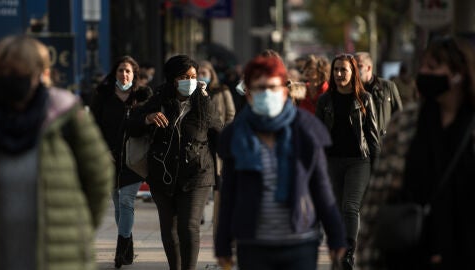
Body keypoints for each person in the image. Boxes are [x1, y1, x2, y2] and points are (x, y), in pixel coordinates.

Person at [215, 55, 347, 270]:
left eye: (272, 87)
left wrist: (336, 236)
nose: (267, 93)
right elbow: (229, 193)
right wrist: (223, 245)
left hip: (300, 242)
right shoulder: (236, 135)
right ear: (248, 93)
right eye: (259, 88)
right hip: (253, 243)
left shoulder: (306, 130)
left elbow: (321, 188)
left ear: (285, 90)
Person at [0, 35, 113, 270]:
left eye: (20, 72)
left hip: (60, 256)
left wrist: (77, 228)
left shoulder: (66, 115)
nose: (12, 80)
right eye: (5, 72)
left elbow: (99, 177)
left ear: (40, 74)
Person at [357, 36, 475, 270]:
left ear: (459, 73)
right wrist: (366, 255)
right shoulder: (407, 122)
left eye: (433, 67)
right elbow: (379, 195)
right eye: (422, 66)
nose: (423, 73)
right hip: (407, 252)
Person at [127, 55, 224, 270]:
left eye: (193, 76)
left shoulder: (204, 102)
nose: (190, 81)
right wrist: (147, 118)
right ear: (172, 80)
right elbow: (132, 126)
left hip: (197, 173)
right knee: (169, 230)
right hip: (163, 174)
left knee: (189, 226)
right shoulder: (159, 99)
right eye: (183, 77)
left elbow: (219, 136)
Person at [315, 53, 380, 270]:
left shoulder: (365, 99)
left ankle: (349, 253)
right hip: (332, 161)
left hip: (358, 162)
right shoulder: (325, 101)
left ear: (353, 73)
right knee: (336, 211)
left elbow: (372, 137)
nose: (339, 74)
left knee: (350, 207)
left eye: (344, 70)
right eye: (336, 70)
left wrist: (377, 166)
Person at [90, 55, 153, 268]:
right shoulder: (103, 96)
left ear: (134, 74)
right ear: (114, 73)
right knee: (118, 204)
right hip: (109, 158)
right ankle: (128, 243)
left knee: (127, 201)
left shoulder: (143, 97)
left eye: (128, 71)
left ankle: (121, 246)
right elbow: (93, 126)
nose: (124, 74)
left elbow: (148, 127)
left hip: (133, 158)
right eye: (120, 70)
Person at [197, 60, 235, 231]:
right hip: (201, 140)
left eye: (205, 73)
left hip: (218, 138)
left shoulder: (222, 90)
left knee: (218, 180)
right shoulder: (194, 92)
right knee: (201, 177)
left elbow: (231, 113)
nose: (202, 76)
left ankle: (218, 219)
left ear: (212, 74)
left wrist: (224, 131)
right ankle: (199, 214)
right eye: (199, 73)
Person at [354, 52, 403, 137]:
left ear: (369, 68)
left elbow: (399, 116)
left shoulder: (388, 87)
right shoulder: (351, 89)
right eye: (353, 66)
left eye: (359, 66)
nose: (356, 70)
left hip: (383, 144)